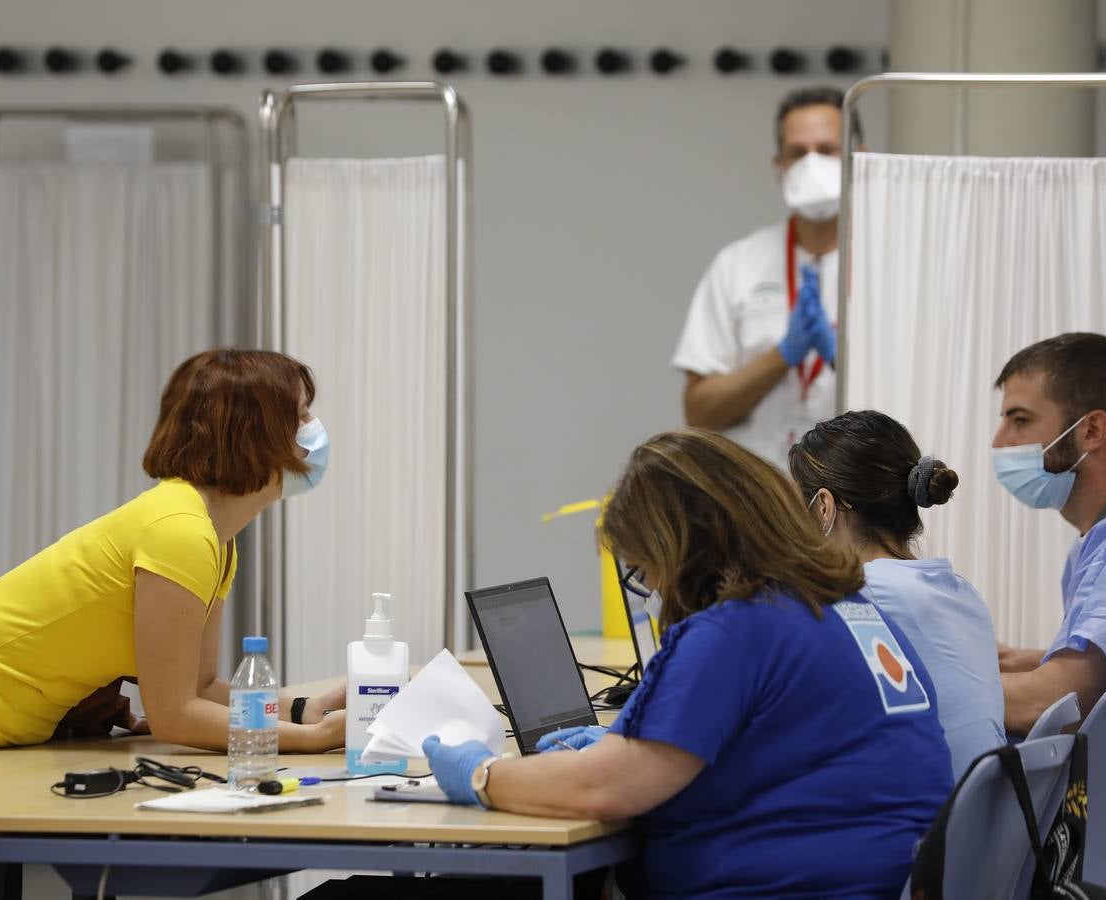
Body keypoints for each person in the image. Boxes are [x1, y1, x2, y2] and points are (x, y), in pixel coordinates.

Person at [423, 429, 952, 899]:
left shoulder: (738, 628)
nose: (649, 587)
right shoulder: (849, 610)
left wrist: (480, 774)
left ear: (680, 553)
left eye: (644, 567)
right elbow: (782, 755)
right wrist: (624, 750)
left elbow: (602, 790)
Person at [0, 348, 347, 761]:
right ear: (254, 434)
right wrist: (311, 740)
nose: (314, 430)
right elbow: (176, 717)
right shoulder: (179, 531)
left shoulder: (214, 538)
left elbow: (199, 688)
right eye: (302, 416)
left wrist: (304, 710)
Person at [790, 410, 1005, 776]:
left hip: (926, 820)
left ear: (824, 507)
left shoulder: (861, 596)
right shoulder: (960, 590)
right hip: (986, 816)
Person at [674, 86, 861, 467]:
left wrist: (839, 359)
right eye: (798, 153)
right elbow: (699, 411)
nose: (812, 164)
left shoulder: (890, 264)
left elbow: (915, 402)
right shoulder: (738, 263)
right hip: (758, 496)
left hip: (859, 499)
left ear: (860, 158)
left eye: (826, 151)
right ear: (779, 165)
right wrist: (781, 356)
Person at [992, 333, 1106, 736]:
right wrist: (997, 658)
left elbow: (1054, 700)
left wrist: (905, 684)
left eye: (1020, 420)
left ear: (1092, 430)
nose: (1000, 442)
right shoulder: (1096, 541)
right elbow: (1095, 659)